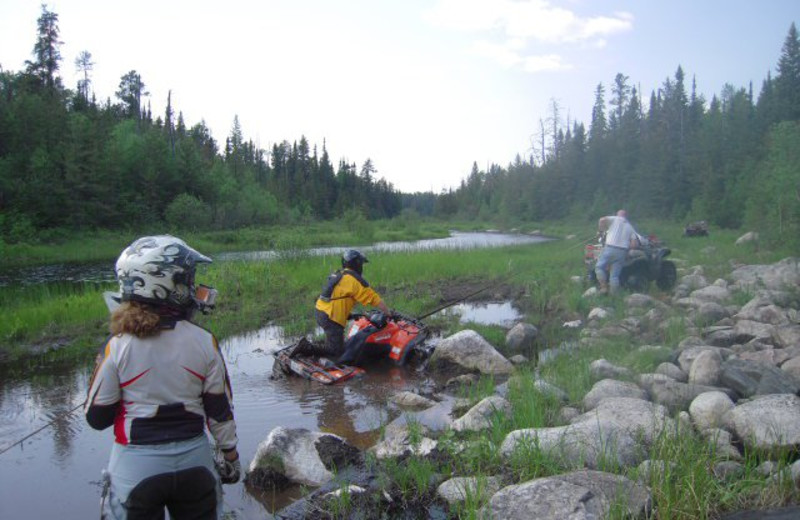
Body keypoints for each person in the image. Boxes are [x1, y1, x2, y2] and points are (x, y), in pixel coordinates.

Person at [84, 235, 240, 519]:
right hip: (196, 462)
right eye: (187, 280)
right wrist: (231, 457)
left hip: (136, 467)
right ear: (167, 283)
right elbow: (219, 410)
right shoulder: (205, 341)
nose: (192, 287)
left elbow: (97, 418)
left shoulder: (117, 344)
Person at [297, 249, 390, 364]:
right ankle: (306, 347)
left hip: (321, 311)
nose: (361, 267)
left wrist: (350, 315)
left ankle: (318, 353)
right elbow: (376, 300)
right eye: (361, 264)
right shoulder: (355, 281)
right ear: (357, 264)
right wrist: (388, 314)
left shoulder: (339, 274)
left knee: (334, 342)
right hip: (331, 317)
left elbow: (336, 298)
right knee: (337, 351)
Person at [595, 209, 640, 294]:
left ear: (618, 214)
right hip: (622, 252)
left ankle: (604, 287)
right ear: (626, 216)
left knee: (599, 267)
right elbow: (634, 245)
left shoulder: (615, 219)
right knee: (614, 276)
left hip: (610, 248)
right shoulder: (630, 227)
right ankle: (613, 296)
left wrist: (601, 230)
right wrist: (626, 246)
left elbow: (601, 219)